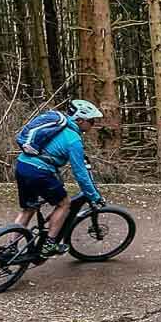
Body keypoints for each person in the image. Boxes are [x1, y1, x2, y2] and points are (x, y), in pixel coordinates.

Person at [14, 98, 105, 258]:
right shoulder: (73, 140)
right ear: (80, 120)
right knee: (64, 204)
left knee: (28, 209)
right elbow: (81, 174)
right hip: (39, 171)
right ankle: (49, 245)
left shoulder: (57, 126)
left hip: (22, 165)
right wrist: (94, 196)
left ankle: (11, 246)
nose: (93, 124)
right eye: (91, 121)